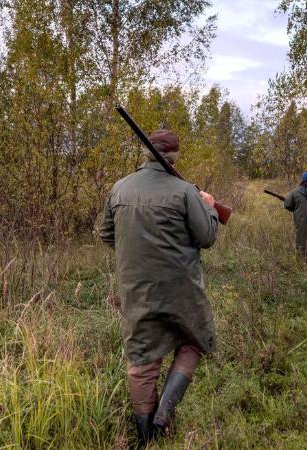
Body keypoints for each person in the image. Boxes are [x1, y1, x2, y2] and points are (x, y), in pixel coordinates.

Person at [97, 130, 219, 446]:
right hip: (183, 290)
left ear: (145, 154)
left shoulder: (119, 189)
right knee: (195, 340)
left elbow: (106, 235)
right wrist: (208, 206)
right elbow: (207, 237)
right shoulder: (184, 191)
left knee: (142, 361)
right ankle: (164, 412)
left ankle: (145, 436)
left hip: (136, 291)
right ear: (176, 157)